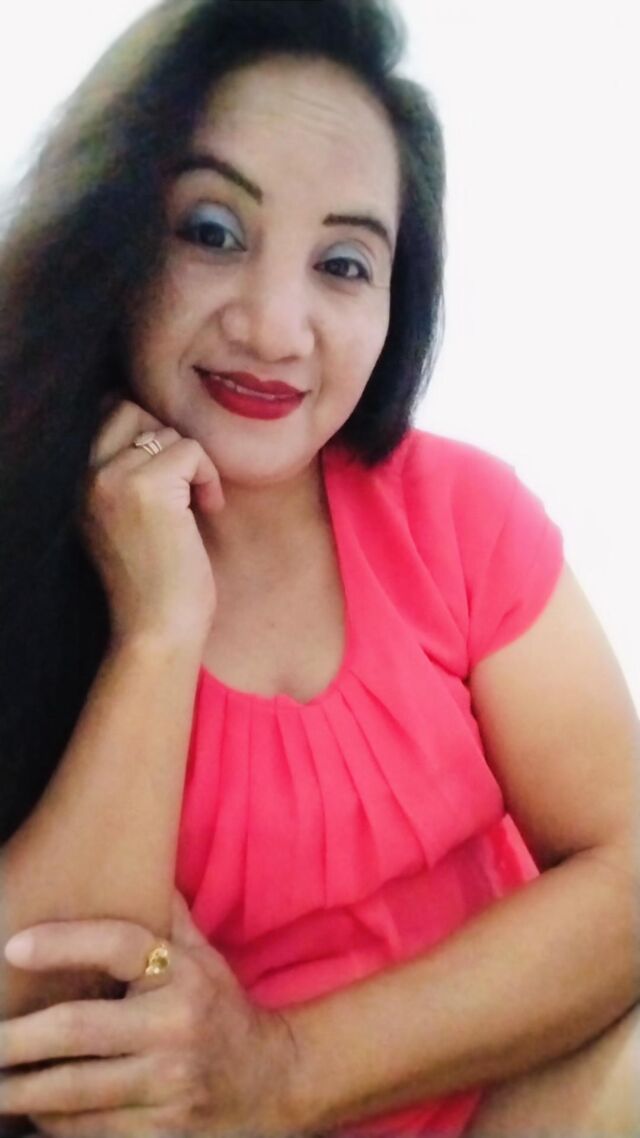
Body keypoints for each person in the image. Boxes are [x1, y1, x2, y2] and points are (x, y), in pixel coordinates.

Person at [0, 1, 637, 1135]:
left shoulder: (456, 512)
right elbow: (38, 1039)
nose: (276, 327)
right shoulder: (23, 539)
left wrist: (284, 1070)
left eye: (343, 263)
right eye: (212, 231)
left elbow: (630, 871)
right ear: (112, 229)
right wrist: (158, 630)